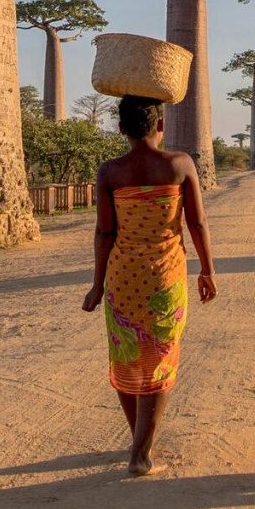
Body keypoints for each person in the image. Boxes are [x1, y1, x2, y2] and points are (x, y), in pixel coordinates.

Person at [82, 93, 217, 476]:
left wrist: (96, 284)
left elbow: (104, 232)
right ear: (161, 126)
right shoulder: (179, 164)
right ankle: (140, 453)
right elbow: (197, 224)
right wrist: (207, 270)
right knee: (159, 357)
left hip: (122, 276)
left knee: (127, 354)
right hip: (165, 276)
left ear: (121, 128)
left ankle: (139, 439)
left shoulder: (110, 172)